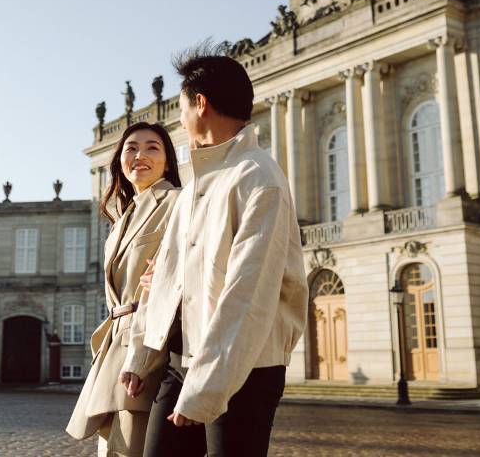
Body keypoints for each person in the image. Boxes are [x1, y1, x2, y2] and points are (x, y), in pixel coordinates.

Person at [120, 41, 309, 457]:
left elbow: (249, 294)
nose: (179, 118)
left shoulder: (259, 177)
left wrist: (207, 388)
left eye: (181, 107)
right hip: (181, 362)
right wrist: (142, 355)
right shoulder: (194, 187)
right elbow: (165, 280)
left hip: (244, 369)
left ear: (200, 104)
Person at [67, 122, 182, 457]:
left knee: (130, 447)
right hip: (115, 346)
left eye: (152, 148)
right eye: (131, 148)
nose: (139, 155)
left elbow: (165, 289)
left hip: (147, 350)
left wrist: (142, 359)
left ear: (168, 162)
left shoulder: (176, 203)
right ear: (119, 160)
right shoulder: (121, 218)